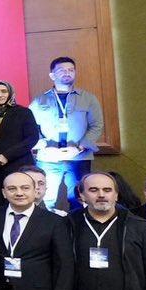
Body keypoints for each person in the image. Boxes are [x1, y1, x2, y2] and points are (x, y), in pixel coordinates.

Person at [31, 57, 104, 211]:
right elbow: (29, 128)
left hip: (78, 157)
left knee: (79, 199)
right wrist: (43, 146)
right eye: (62, 70)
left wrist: (79, 148)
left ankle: (79, 226)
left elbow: (97, 126)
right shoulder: (39, 101)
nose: (67, 73)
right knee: (45, 200)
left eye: (71, 70)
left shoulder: (88, 98)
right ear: (52, 75)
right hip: (48, 158)